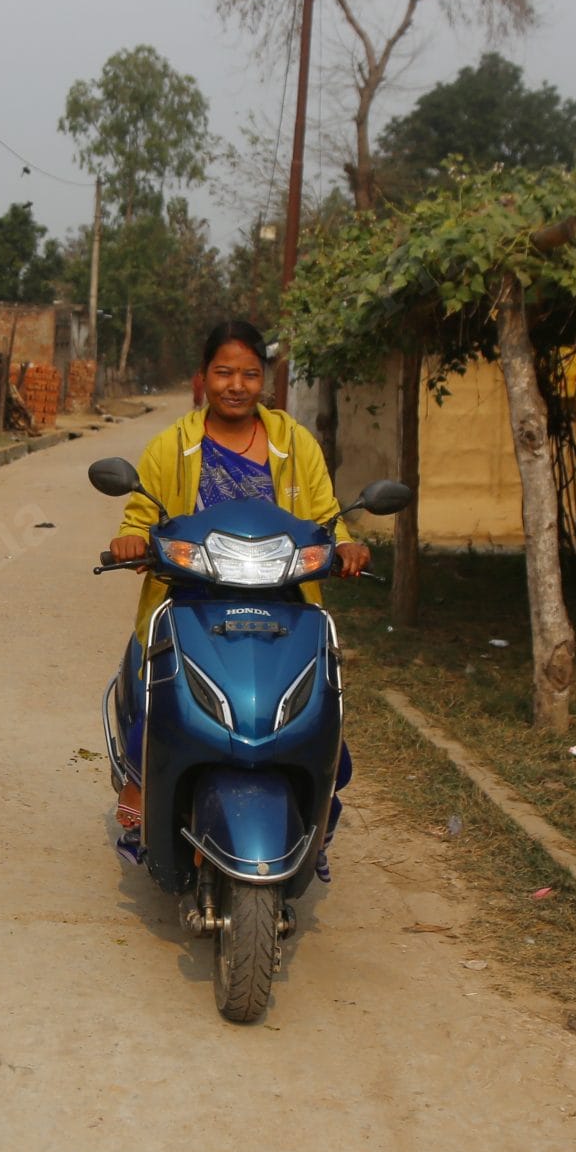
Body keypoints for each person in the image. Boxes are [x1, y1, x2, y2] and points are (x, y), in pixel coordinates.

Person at [106, 319, 369, 870]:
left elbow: (326, 515)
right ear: (203, 378)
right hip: (189, 598)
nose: (236, 385)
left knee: (321, 714)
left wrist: (345, 544)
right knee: (152, 710)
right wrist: (133, 538)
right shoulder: (172, 445)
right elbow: (143, 511)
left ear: (264, 381)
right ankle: (139, 795)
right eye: (223, 372)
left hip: (285, 600)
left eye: (249, 374)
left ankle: (314, 813)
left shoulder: (294, 442)